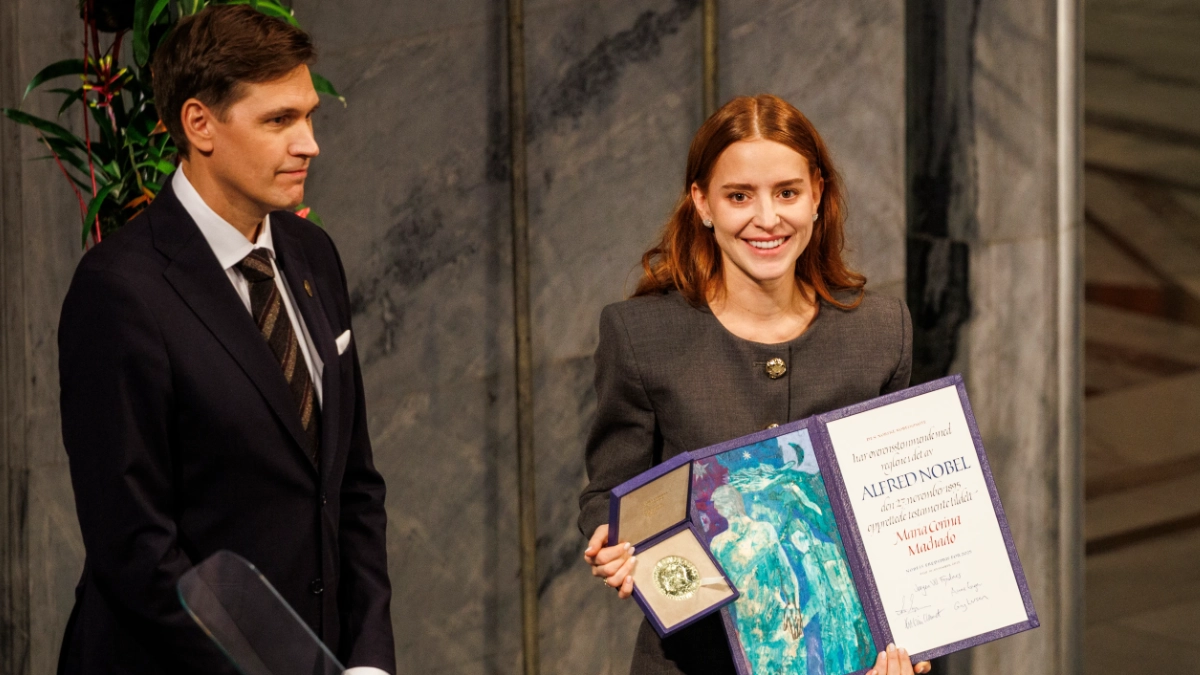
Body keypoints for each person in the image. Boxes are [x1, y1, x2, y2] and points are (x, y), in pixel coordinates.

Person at [56, 6, 393, 674]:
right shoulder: (119, 289)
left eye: (308, 115)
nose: (309, 143)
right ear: (199, 124)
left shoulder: (313, 254)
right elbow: (137, 549)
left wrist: (369, 659)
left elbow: (352, 487)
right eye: (279, 120)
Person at [578, 94, 930, 675]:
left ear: (818, 194)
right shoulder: (642, 336)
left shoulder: (878, 333)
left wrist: (910, 643)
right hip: (692, 660)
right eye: (739, 196)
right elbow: (610, 492)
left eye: (787, 192)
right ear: (702, 203)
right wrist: (612, 539)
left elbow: (893, 517)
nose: (767, 218)